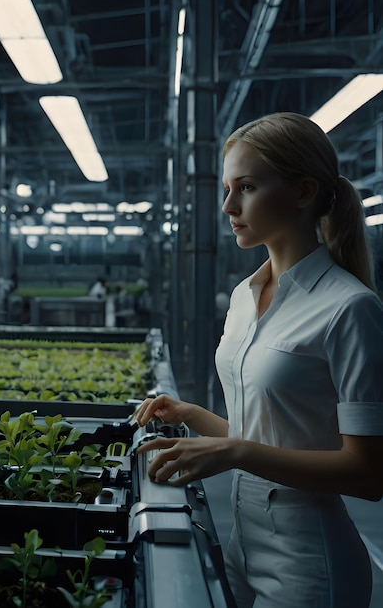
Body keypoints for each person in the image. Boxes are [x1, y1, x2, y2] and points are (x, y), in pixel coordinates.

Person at [134, 112, 383, 608]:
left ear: (303, 191)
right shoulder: (245, 296)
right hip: (240, 543)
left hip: (309, 562)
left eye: (246, 187)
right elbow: (271, 434)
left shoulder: (348, 309)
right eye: (228, 188)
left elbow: (368, 474)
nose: (229, 205)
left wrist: (235, 454)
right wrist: (191, 416)